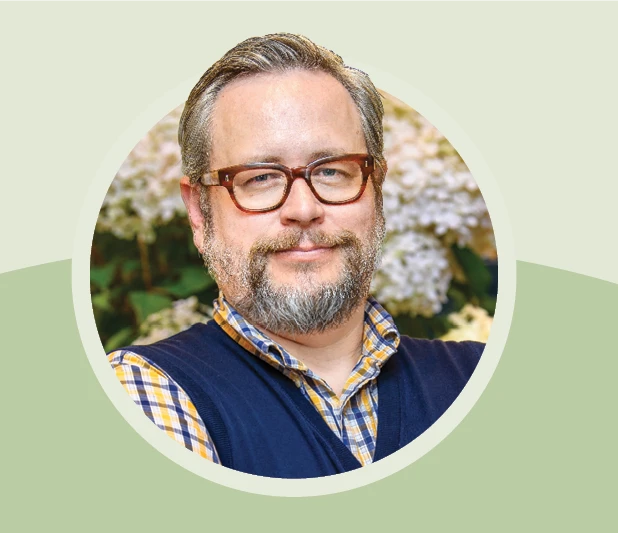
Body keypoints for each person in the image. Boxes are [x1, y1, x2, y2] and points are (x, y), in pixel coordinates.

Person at [108, 33, 484, 479]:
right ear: (199, 212)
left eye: (331, 171)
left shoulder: (477, 373)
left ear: (376, 189)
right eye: (260, 178)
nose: (304, 209)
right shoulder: (146, 392)